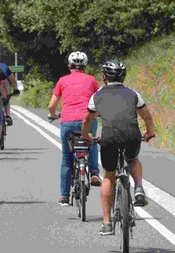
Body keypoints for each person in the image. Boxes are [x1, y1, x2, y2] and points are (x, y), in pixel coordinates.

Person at [81, 60, 156, 235]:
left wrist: (86, 136)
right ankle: (138, 187)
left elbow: (87, 120)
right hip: (132, 136)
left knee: (108, 175)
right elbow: (147, 116)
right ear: (123, 76)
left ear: (104, 77)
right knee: (133, 159)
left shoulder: (97, 96)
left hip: (109, 138)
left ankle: (107, 223)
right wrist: (150, 132)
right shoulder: (133, 94)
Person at [47, 51, 102, 206]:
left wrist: (53, 115)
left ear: (69, 66)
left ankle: (64, 196)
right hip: (88, 119)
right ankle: (94, 174)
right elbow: (98, 100)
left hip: (68, 122)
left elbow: (52, 105)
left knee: (66, 158)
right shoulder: (91, 80)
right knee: (92, 143)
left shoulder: (62, 80)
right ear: (85, 66)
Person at [0, 51, 18, 124]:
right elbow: (13, 79)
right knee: (6, 100)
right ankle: (8, 116)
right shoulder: (4, 66)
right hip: (3, 88)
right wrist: (16, 89)